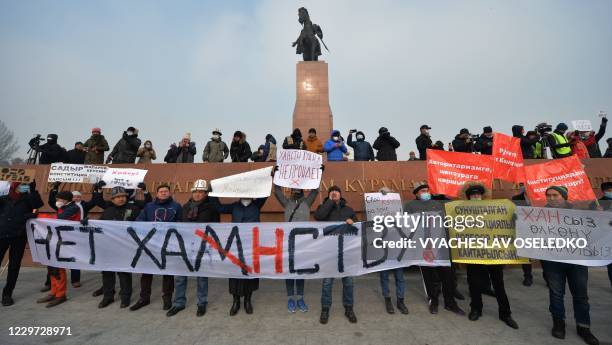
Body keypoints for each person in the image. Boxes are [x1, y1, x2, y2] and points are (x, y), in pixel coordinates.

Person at [541, 186, 599, 345]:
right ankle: (558, 324)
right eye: (548, 196)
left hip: (577, 261)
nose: (551, 198)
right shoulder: (538, 214)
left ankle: (583, 327)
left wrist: (601, 216)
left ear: (564, 196)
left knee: (580, 295)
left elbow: (595, 229)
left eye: (555, 195)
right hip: (553, 261)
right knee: (556, 293)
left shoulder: (579, 213)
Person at [461, 182, 518, 329]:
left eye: (478, 194)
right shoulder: (461, 210)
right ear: (468, 197)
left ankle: (505, 313)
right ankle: (476, 309)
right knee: (474, 283)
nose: (475, 196)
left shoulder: (493, 208)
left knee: (498, 284)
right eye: (473, 195)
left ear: (482, 196)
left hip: (493, 253)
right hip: (473, 253)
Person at [403, 184, 465, 316]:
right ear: (416, 193)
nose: (426, 193)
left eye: (427, 190)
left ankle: (450, 303)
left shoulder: (438, 204)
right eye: (423, 191)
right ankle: (434, 301)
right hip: (423, 247)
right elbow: (407, 225)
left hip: (441, 245)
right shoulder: (409, 206)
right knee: (429, 276)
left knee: (447, 275)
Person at [166, 179, 219, 317]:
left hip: (202, 246)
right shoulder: (185, 207)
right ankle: (179, 303)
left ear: (206, 194)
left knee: (201, 276)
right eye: (195, 191)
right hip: (185, 245)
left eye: (201, 192)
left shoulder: (211, 208)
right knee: (180, 276)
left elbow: (216, 226)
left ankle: (202, 303)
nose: (197, 194)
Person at [272, 169, 321, 313]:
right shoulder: (286, 203)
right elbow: (277, 191)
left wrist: (318, 174)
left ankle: (300, 297)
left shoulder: (307, 203)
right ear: (291, 190)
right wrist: (277, 174)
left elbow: (315, 190)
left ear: (302, 191)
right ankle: (290, 299)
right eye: (294, 188)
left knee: (300, 271)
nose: (296, 190)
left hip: (303, 243)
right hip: (288, 243)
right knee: (289, 271)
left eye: (299, 188)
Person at [130, 184, 182, 311]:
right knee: (147, 272)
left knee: (167, 272)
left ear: (169, 193)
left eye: (166, 191)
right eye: (161, 191)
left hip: (168, 244)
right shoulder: (149, 206)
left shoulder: (176, 206)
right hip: (150, 244)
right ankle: (144, 298)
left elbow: (182, 223)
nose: (163, 193)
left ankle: (167, 298)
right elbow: (139, 220)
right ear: (157, 193)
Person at [90, 186, 143, 309]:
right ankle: (108, 296)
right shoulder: (107, 211)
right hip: (109, 247)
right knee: (107, 273)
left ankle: (125, 298)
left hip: (126, 247)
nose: (121, 199)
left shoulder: (134, 209)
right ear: (112, 199)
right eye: (118, 197)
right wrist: (88, 223)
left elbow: (142, 225)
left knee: (124, 273)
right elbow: (99, 226)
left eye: (123, 196)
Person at [216, 195, 268, 316]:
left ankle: (248, 301)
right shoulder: (234, 206)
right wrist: (211, 192)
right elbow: (218, 208)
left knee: (250, 272)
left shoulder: (257, 205)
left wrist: (270, 177)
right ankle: (236, 301)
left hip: (251, 246)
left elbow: (265, 193)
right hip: (236, 245)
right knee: (235, 273)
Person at [47, 182, 104, 288]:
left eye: (78, 196)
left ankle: (75, 280)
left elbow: (95, 201)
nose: (76, 198)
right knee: (55, 259)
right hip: (61, 235)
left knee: (74, 257)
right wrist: (54, 189)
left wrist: (96, 190)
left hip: (76, 235)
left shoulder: (83, 205)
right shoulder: (61, 206)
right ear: (70, 198)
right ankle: (49, 282)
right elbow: (51, 202)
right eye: (74, 196)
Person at [315, 185, 358, 324]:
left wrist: (353, 222)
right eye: (332, 192)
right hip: (329, 251)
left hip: (346, 252)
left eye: (337, 192)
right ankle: (325, 309)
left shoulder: (349, 210)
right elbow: (319, 217)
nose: (334, 193)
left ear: (341, 195)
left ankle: (349, 308)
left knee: (349, 282)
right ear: (328, 195)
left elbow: (357, 227)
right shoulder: (324, 207)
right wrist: (330, 202)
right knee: (327, 282)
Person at [0, 180, 43, 306]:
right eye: (19, 186)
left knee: (14, 266)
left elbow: (38, 205)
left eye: (24, 186)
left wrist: (33, 191)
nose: (22, 188)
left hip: (19, 236)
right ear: (13, 187)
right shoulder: (3, 199)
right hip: (2, 235)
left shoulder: (28, 199)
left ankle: (7, 294)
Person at [37, 190, 80, 307]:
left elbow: (58, 218)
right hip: (57, 240)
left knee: (58, 268)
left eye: (59, 199)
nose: (57, 202)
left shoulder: (73, 208)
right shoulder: (65, 207)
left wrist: (38, 215)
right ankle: (53, 291)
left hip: (65, 241)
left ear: (65, 200)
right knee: (52, 266)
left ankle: (60, 295)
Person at [376, 187, 409, 315]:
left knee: (399, 276)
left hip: (396, 246)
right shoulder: (375, 209)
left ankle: (401, 300)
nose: (385, 196)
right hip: (383, 248)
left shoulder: (398, 207)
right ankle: (387, 299)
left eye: (388, 194)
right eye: (383, 194)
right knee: (384, 276)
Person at [510, 183, 535, 287]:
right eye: (521, 184)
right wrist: (515, 216)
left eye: (524, 184)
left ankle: (547, 277)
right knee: (526, 254)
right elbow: (513, 213)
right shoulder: (516, 198)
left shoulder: (542, 197)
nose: (523, 186)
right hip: (524, 229)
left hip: (541, 229)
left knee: (544, 254)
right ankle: (528, 276)